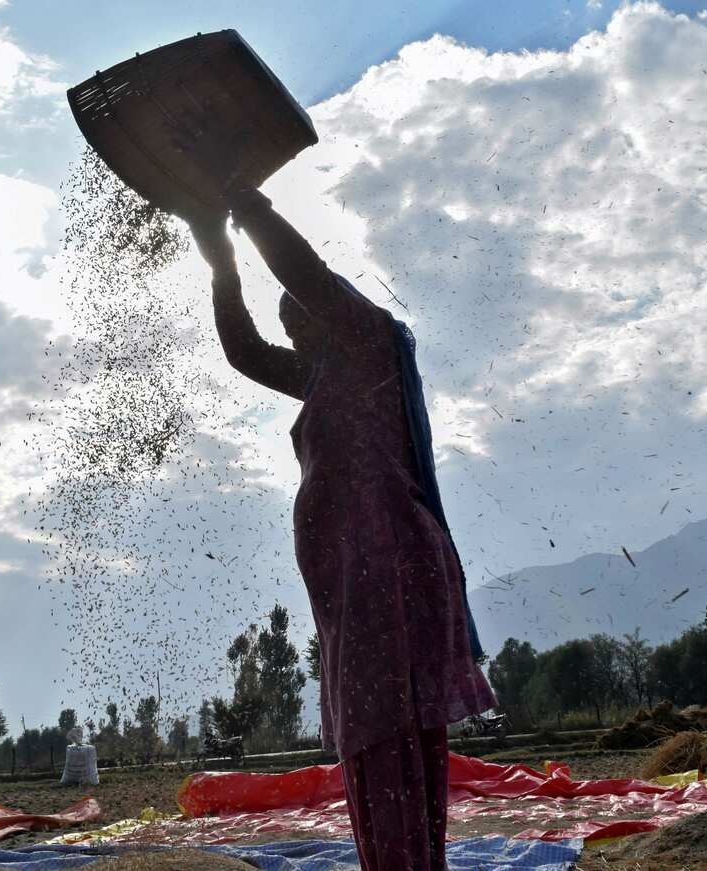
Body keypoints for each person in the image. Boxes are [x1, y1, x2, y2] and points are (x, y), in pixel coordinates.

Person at [190, 187, 496, 871]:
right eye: (289, 325)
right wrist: (217, 255)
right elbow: (244, 351)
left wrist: (244, 203)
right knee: (381, 748)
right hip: (359, 587)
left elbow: (302, 271)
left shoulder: (367, 340)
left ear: (328, 308)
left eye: (299, 315)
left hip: (390, 570)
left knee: (389, 745)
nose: (292, 329)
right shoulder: (328, 371)